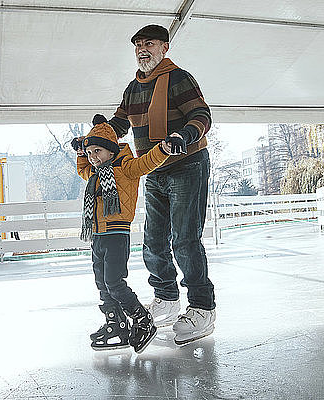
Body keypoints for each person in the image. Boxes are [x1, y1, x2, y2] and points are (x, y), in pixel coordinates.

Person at [106, 24, 216, 345]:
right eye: (138, 45)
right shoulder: (133, 88)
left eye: (149, 44)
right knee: (153, 241)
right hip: (153, 168)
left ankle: (202, 307)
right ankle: (167, 298)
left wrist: (185, 135)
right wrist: (98, 135)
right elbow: (119, 123)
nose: (142, 50)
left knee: (184, 240)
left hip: (186, 165)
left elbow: (202, 114)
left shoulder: (178, 79)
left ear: (164, 47)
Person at [72, 114, 172, 353]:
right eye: (90, 153)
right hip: (98, 235)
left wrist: (164, 148)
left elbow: (147, 162)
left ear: (110, 150)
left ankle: (142, 319)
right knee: (102, 283)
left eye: (97, 151)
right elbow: (82, 169)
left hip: (116, 234)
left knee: (115, 282)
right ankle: (115, 323)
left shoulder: (125, 168)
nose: (93, 158)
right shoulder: (95, 173)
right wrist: (80, 152)